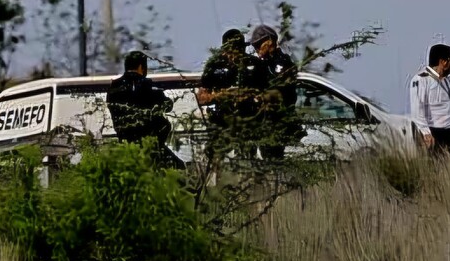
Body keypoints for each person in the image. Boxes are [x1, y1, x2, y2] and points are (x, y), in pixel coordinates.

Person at [106, 51, 184, 169]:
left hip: (125, 145)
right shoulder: (147, 85)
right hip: (150, 147)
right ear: (141, 67)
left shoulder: (114, 88)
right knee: (178, 168)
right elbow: (167, 105)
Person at [197, 29, 266, 160]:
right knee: (214, 156)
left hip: (247, 122)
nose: (235, 55)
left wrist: (249, 96)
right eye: (231, 50)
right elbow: (201, 97)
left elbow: (267, 95)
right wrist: (221, 95)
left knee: (246, 160)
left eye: (239, 50)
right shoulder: (214, 66)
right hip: (220, 122)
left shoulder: (255, 65)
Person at [249, 24, 303, 159]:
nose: (256, 50)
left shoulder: (282, 62)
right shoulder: (262, 65)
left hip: (280, 126)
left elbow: (281, 91)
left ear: (269, 41)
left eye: (258, 45)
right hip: (265, 126)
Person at [409, 43, 450, 162]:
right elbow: (417, 108)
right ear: (443, 62)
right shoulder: (421, 80)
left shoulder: (448, 84)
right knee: (436, 164)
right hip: (433, 130)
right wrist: (425, 132)